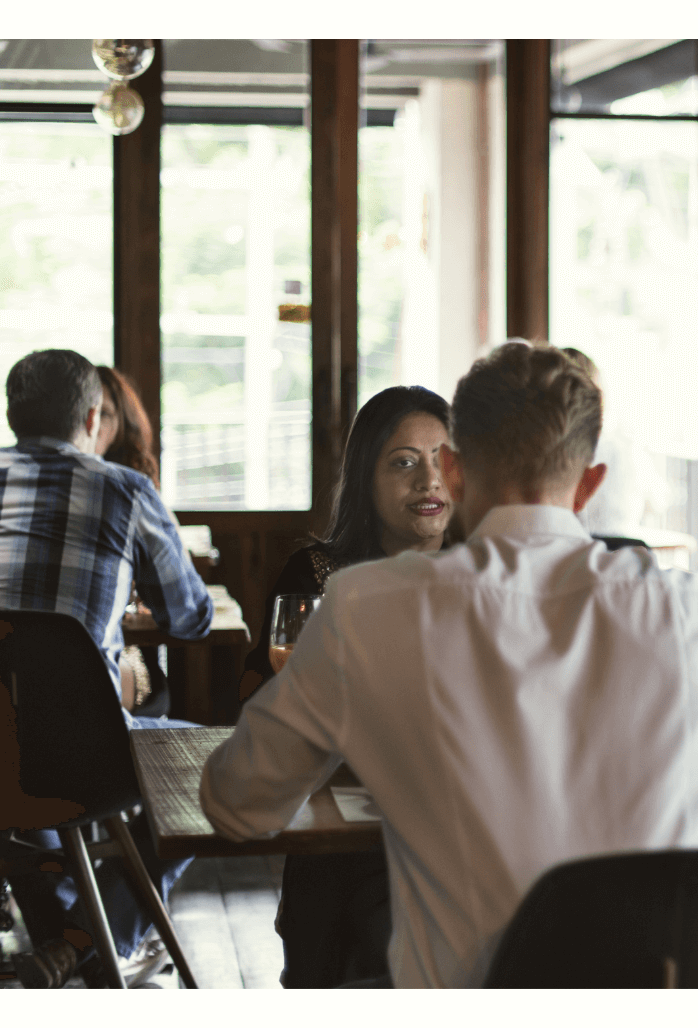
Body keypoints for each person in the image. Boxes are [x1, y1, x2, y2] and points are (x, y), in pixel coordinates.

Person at [201, 343, 698, 988]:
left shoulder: (365, 611)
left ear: (454, 471)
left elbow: (236, 804)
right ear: (589, 484)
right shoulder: (694, 614)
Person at [0, 349, 213, 987]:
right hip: (81, 757)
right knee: (216, 768)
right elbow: (191, 618)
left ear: (10, 415)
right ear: (91, 415)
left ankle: (60, 946)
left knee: (13, 789)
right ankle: (86, 943)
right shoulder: (126, 489)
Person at [231, 384, 454, 988]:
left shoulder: (488, 572)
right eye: (404, 462)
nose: (430, 480)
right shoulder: (317, 576)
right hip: (344, 833)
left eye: (444, 458)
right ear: (366, 478)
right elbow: (257, 705)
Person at [95, 365, 171, 717]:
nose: (92, 425)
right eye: (86, 414)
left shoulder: (132, 487)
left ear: (122, 423)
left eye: (104, 414)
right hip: (91, 666)